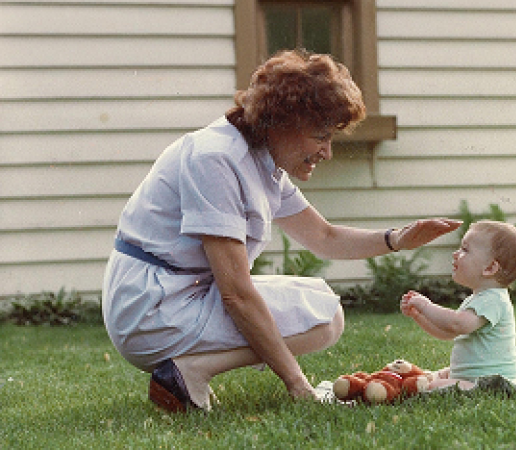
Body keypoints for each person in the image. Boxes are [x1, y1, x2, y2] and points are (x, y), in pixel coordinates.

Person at [102, 49, 461, 413]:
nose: (327, 152)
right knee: (322, 314)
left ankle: (186, 370)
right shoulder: (216, 157)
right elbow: (236, 294)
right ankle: (187, 372)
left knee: (324, 309)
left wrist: (397, 239)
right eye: (322, 136)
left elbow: (323, 237)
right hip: (151, 309)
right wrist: (298, 385)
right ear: (283, 121)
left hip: (177, 295)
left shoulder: (262, 159)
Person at [401, 220, 516, 390]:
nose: (456, 253)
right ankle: (433, 380)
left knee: (433, 385)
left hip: (491, 382)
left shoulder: (493, 300)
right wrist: (419, 316)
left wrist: (426, 306)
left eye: (465, 249)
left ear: (490, 267)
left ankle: (422, 385)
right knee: (440, 375)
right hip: (472, 376)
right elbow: (448, 332)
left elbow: (457, 324)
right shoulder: (478, 299)